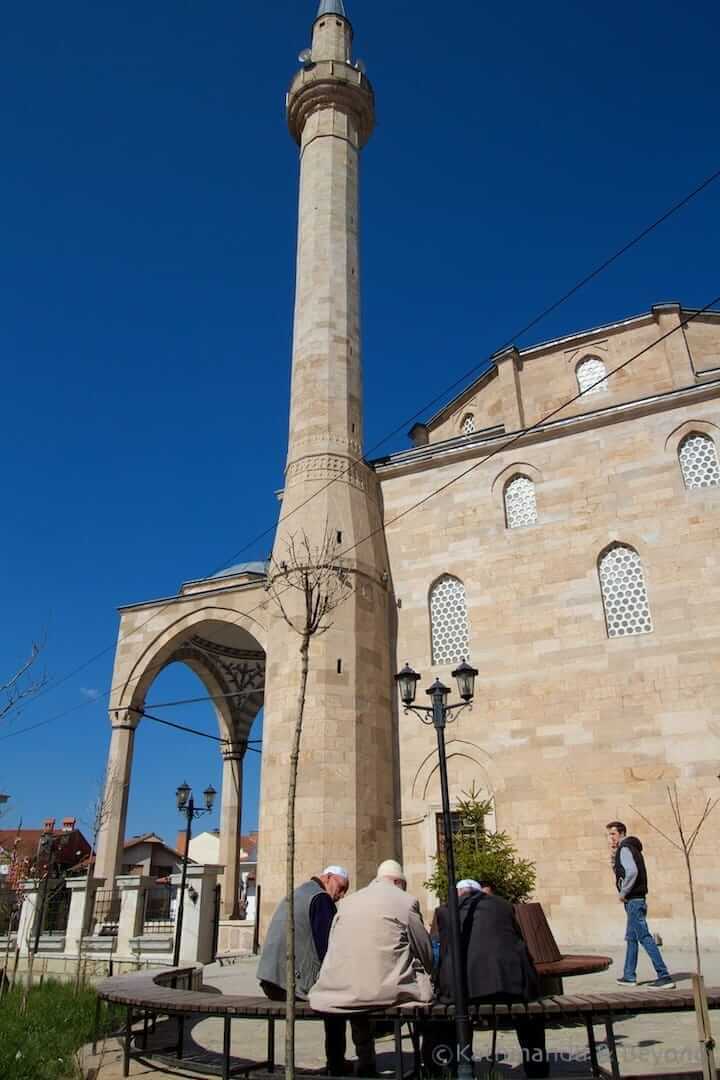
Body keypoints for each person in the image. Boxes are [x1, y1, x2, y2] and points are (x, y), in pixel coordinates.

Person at [310, 860, 433, 1073]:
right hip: (387, 991)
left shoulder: (347, 903)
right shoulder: (406, 901)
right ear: (398, 881)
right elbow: (425, 950)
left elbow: (332, 944)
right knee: (427, 994)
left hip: (344, 991)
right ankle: (431, 1061)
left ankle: (366, 1060)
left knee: (359, 995)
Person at [428, 882, 549, 1079]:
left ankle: (454, 1069)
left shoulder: (445, 911)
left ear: (458, 893)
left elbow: (445, 954)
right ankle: (537, 1071)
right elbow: (518, 944)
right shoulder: (503, 906)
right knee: (530, 1015)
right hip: (508, 988)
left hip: (463, 991)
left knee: (448, 1015)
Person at [257, 865, 355, 1075]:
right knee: (336, 1003)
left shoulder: (300, 892)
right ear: (328, 877)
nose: (342, 894)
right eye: (342, 887)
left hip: (270, 979)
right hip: (288, 983)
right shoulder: (320, 898)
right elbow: (328, 948)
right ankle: (337, 1064)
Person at [606, 820, 675, 989]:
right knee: (631, 938)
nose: (610, 838)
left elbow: (632, 872)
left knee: (644, 937)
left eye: (613, 834)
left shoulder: (625, 848)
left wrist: (623, 893)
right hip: (634, 900)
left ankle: (664, 976)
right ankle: (629, 976)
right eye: (609, 835)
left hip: (634, 900)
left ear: (622, 833)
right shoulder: (629, 848)